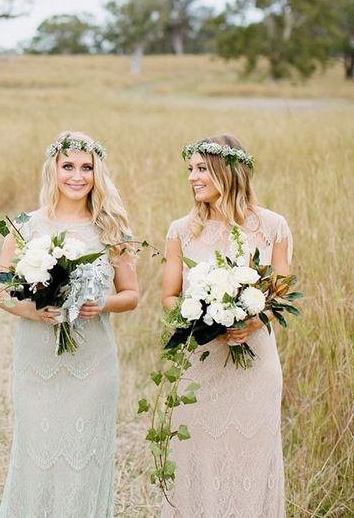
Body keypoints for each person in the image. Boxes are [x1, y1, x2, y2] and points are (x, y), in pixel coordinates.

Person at [0, 131, 139, 518]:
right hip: (37, 357)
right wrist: (34, 310)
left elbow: (132, 294)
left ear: (97, 173)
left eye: (87, 168)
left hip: (92, 361)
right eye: (68, 166)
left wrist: (101, 303)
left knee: (83, 456)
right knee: (37, 451)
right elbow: (3, 292)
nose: (77, 176)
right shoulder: (26, 225)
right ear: (53, 169)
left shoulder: (111, 227)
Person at [161, 134, 292, 518]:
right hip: (202, 365)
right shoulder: (181, 230)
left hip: (256, 366)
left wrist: (253, 320)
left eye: (201, 169)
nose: (192, 178)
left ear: (228, 171)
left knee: (251, 458)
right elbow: (168, 296)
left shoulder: (272, 226)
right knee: (198, 458)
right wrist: (200, 316)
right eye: (190, 169)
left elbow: (281, 292)